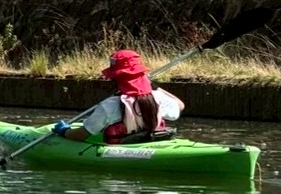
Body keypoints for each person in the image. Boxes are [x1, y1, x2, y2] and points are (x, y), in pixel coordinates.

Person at [54, 49, 185, 144]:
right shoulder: (158, 97)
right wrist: (152, 86)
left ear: (115, 78)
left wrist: (65, 131)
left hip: (122, 149)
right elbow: (180, 105)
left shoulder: (109, 106)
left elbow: (81, 135)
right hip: (151, 143)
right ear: (141, 75)